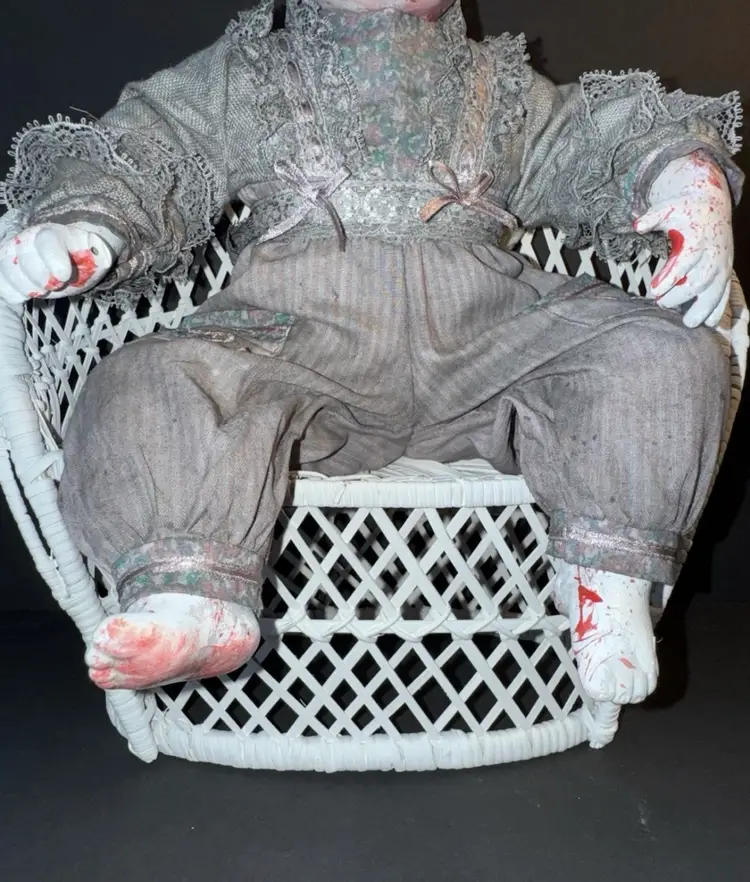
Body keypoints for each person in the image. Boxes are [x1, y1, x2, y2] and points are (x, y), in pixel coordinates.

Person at [0, 0, 742, 708]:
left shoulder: (501, 88)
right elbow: (150, 151)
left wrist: (684, 180)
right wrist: (87, 227)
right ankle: (190, 589)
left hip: (490, 342)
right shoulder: (245, 75)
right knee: (147, 381)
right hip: (291, 346)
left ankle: (606, 577)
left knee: (665, 351)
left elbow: (594, 139)